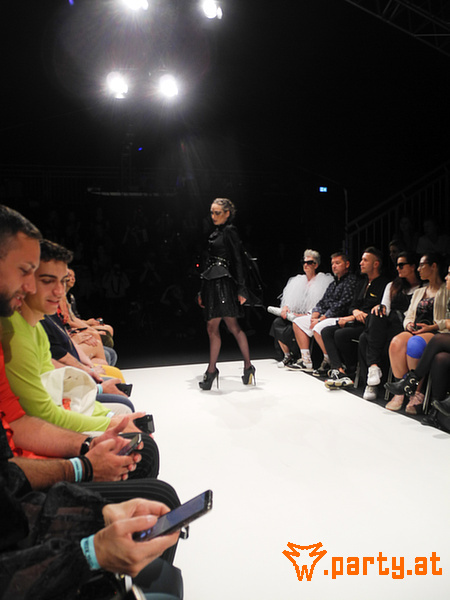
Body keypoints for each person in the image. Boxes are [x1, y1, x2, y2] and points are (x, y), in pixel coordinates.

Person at [197, 198, 255, 389]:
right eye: (211, 212)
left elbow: (238, 260)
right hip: (212, 283)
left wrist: (241, 288)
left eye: (217, 213)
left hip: (224, 284)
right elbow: (208, 264)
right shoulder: (215, 233)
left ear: (227, 213)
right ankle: (246, 367)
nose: (213, 216)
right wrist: (202, 290)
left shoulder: (230, 231)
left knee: (222, 326)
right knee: (225, 326)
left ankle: (213, 370)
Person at [384, 252, 449, 413]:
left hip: (435, 330)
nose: (418, 269)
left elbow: (447, 320)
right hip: (416, 328)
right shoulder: (420, 291)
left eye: (422, 265)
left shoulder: (446, 290)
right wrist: (408, 325)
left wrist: (431, 327)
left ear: (433, 266)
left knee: (415, 344)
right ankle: (401, 391)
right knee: (396, 342)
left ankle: (416, 392)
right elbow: (409, 314)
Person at [322, 247, 388, 389]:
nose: (360, 263)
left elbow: (380, 309)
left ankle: (351, 368)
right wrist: (355, 312)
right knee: (326, 331)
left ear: (376, 264)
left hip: (370, 326)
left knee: (340, 334)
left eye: (365, 260)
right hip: (355, 321)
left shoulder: (384, 284)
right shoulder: (362, 283)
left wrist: (355, 315)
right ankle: (339, 370)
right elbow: (352, 306)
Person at [358, 251, 421, 400]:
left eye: (401, 265)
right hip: (387, 325)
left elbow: (414, 314)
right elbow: (385, 308)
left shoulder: (422, 288)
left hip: (406, 327)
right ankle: (373, 369)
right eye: (396, 265)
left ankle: (372, 381)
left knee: (365, 338)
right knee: (376, 313)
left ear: (413, 266)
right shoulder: (393, 285)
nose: (397, 268)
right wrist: (380, 308)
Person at [288, 252, 357, 373]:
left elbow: (342, 305)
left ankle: (328, 361)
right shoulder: (333, 283)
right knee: (298, 322)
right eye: (332, 263)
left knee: (318, 327)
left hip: (341, 316)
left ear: (347, 264)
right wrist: (315, 313)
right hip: (326, 316)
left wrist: (321, 318)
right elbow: (322, 302)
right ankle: (306, 360)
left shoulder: (351, 281)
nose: (334, 266)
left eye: (337, 263)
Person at [269, 250, 333, 369]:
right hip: (295, 314)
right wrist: (286, 307)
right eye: (304, 262)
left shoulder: (323, 281)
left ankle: (304, 358)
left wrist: (305, 314)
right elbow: (289, 299)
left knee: (297, 324)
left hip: (312, 315)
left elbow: (322, 303)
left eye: (309, 262)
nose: (306, 265)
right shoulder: (297, 280)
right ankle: (288, 355)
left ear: (316, 265)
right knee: (277, 323)